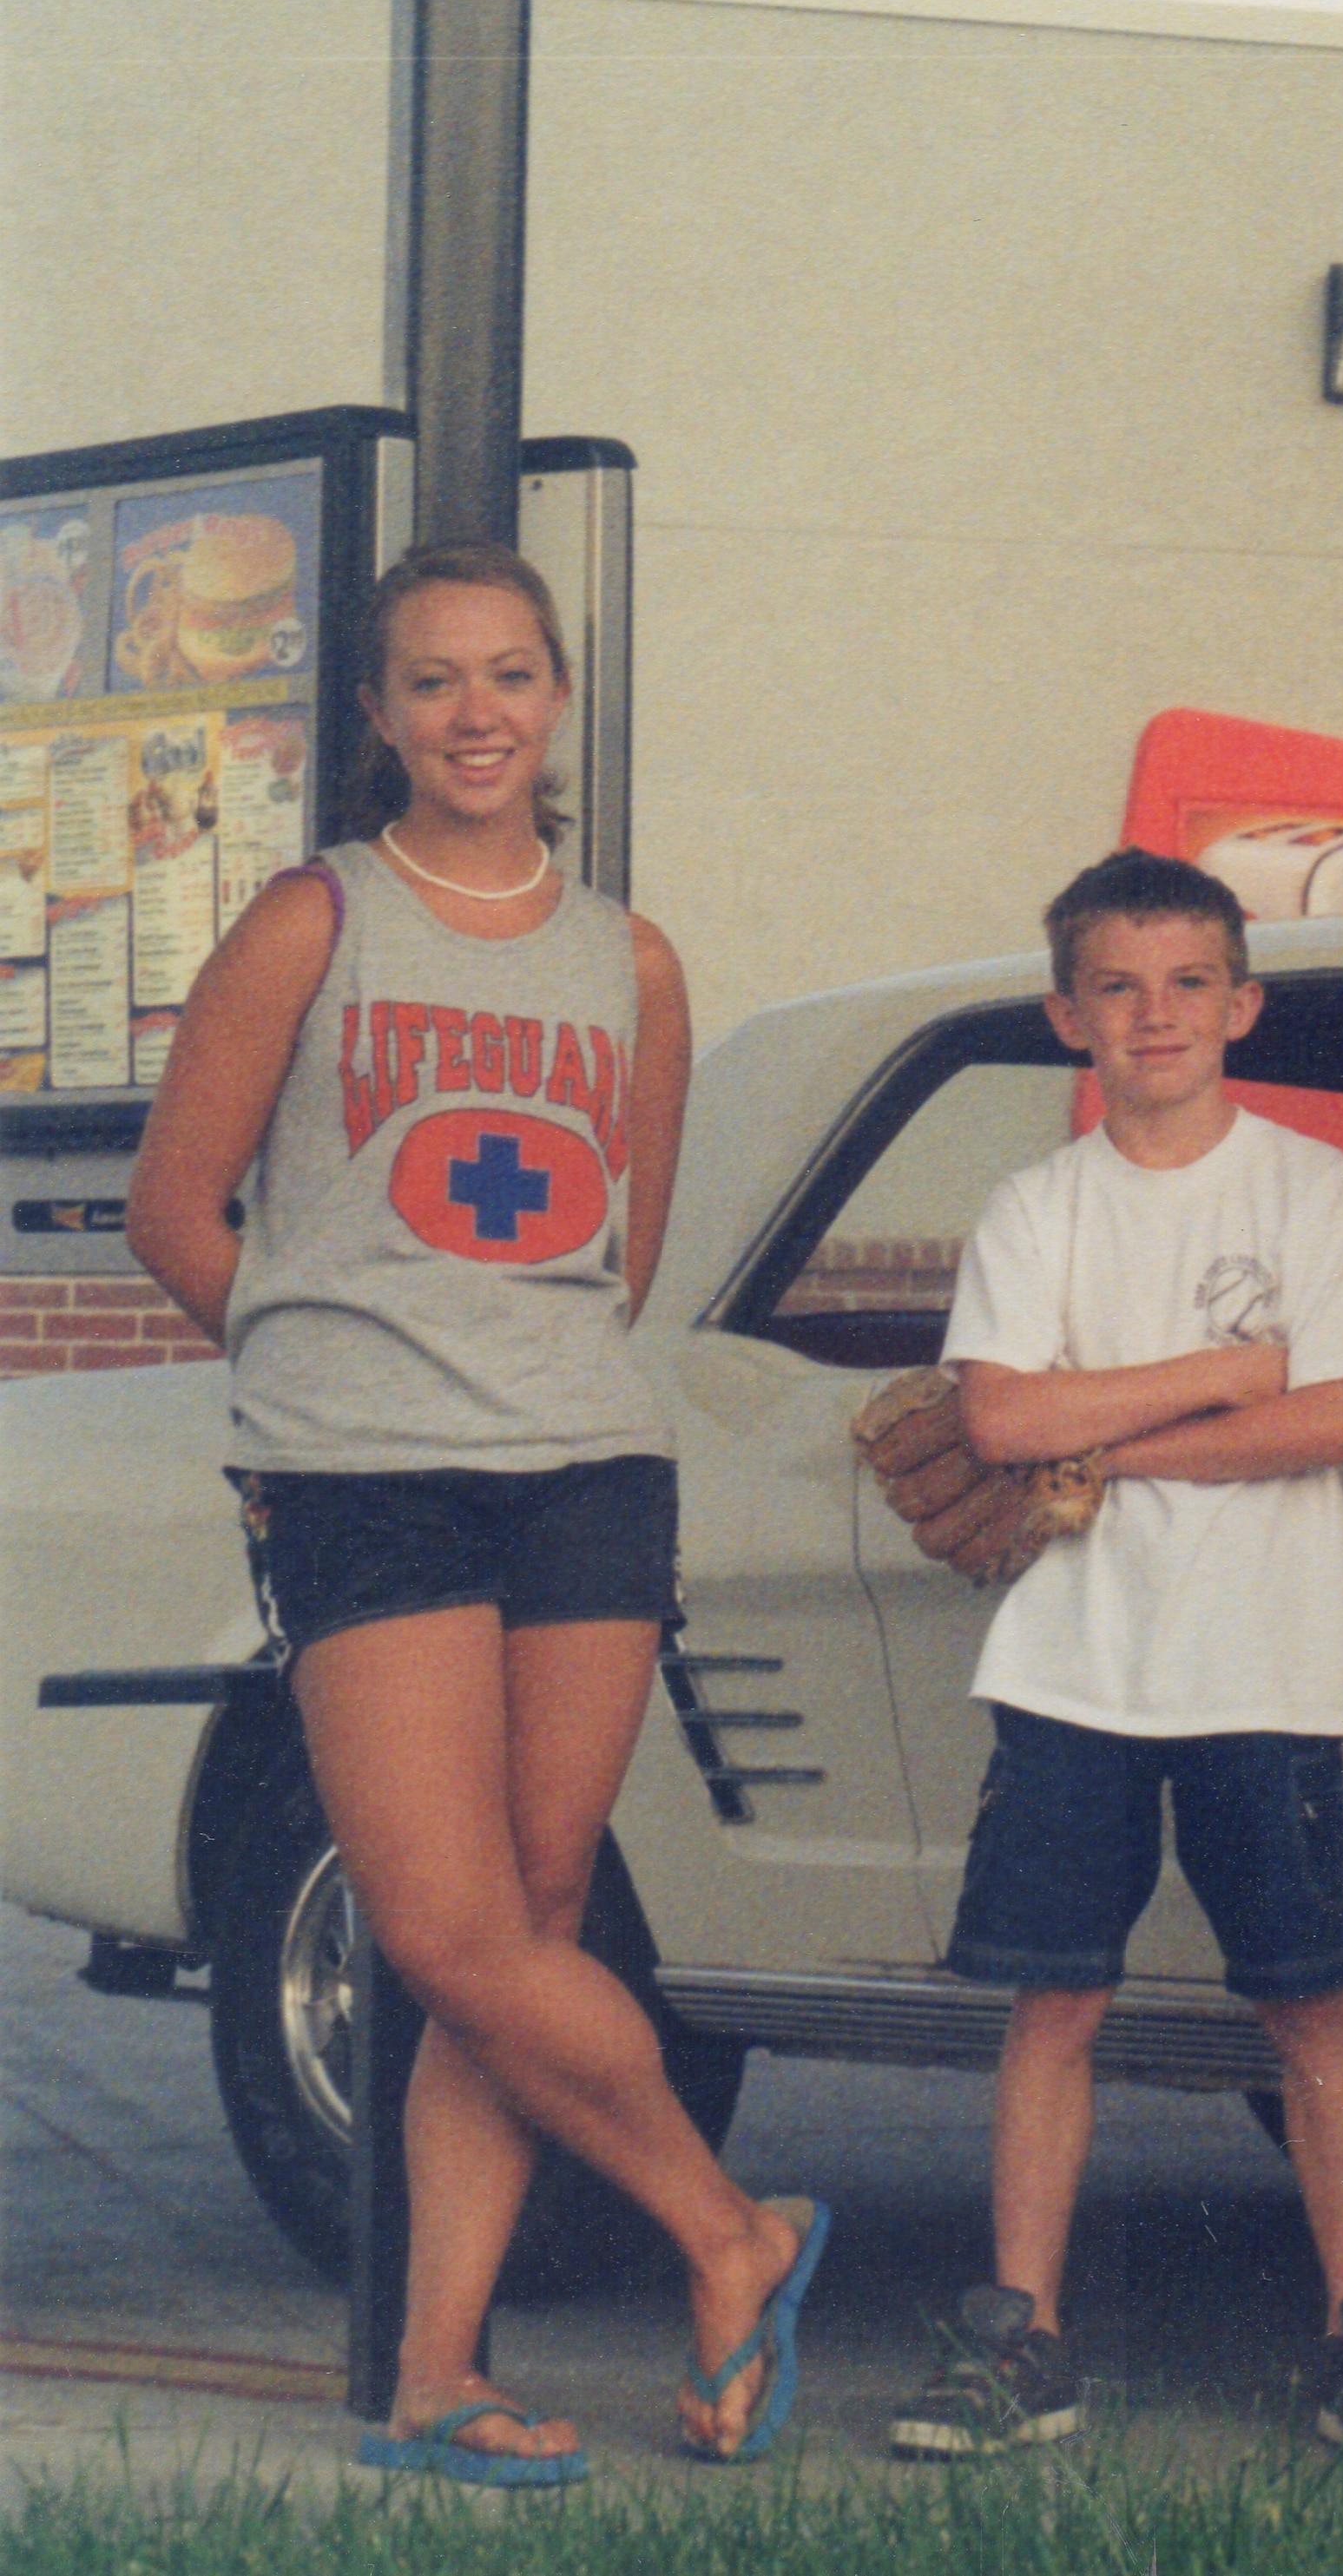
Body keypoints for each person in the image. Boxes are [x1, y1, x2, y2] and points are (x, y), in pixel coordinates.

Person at [124, 544, 823, 2479]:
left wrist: (496, 1370)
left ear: (557, 697)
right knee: (437, 1933)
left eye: (511, 674)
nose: (477, 712)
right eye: (432, 682)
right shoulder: (311, 922)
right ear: (376, 717)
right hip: (367, 1481)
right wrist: (326, 1377)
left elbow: (622, 1249)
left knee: (524, 1913)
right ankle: (730, 2229)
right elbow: (179, 1215)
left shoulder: (633, 957)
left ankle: (440, 2373)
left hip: (583, 1476)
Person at [888, 848, 1343, 2462]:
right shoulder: (1036, 1207)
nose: (1156, 1015)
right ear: (1070, 1014)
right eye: (1118, 986)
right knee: (1056, 2001)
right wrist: (1221, 1374)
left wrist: (1100, 1438)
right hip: (1077, 1665)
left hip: (1269, 1665)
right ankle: (1022, 2339)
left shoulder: (1304, 1187)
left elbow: (1324, 1421)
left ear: (1243, 1003)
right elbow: (998, 1418)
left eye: (1190, 981)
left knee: (1307, 2002)